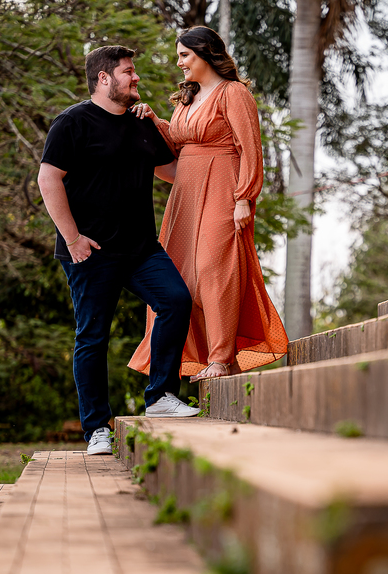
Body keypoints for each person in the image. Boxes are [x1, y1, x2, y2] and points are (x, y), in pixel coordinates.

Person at [38, 45, 201, 457]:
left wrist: (210, 151)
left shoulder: (140, 123)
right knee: (93, 337)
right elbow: (48, 179)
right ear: (104, 78)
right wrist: (73, 238)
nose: (137, 78)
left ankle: (161, 395)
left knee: (177, 301)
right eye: (129, 72)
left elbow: (172, 172)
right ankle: (96, 428)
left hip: (141, 248)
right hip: (90, 251)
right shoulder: (72, 123)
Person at [127, 26, 288, 383]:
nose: (179, 61)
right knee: (182, 278)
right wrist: (155, 121)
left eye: (184, 54)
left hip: (223, 189)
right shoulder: (187, 98)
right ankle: (193, 360)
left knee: (214, 269)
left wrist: (245, 197)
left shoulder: (234, 93)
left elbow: (250, 147)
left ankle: (221, 358)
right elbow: (179, 145)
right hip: (185, 195)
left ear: (205, 53)